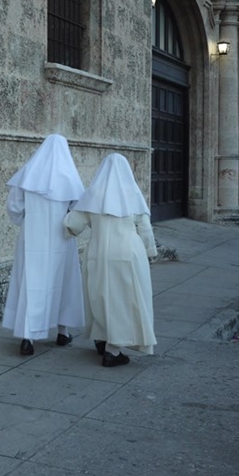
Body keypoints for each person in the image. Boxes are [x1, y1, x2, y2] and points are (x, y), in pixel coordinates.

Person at [62, 153, 157, 367]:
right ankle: (113, 351)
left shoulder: (92, 195)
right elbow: (145, 229)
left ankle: (102, 339)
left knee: (99, 296)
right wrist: (150, 252)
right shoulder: (132, 194)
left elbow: (72, 225)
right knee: (124, 300)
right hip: (127, 254)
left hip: (97, 253)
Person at [1, 134, 85, 356]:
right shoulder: (70, 177)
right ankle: (62, 331)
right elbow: (78, 209)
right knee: (63, 281)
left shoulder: (28, 174)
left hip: (32, 238)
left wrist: (28, 221)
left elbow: (14, 208)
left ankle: (27, 336)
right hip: (61, 239)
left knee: (31, 281)